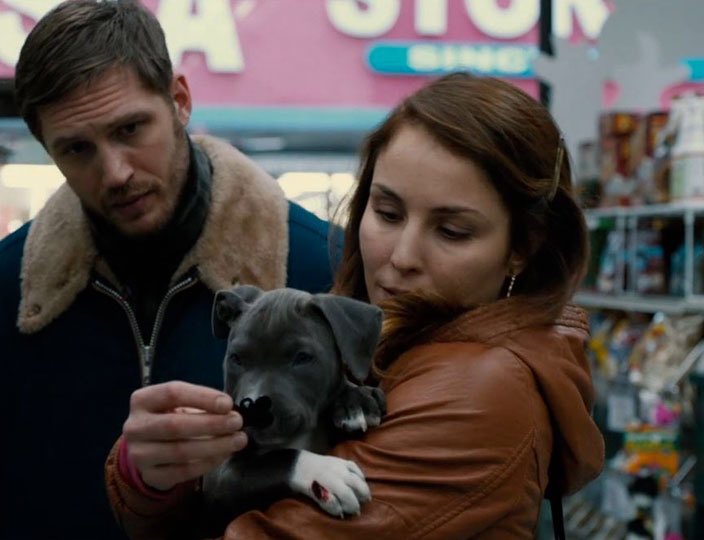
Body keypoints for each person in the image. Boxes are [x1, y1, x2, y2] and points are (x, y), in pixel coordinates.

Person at [106, 72, 606, 539]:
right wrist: (156, 475)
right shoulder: (380, 346)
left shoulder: (480, 392)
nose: (402, 256)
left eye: (452, 231)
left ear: (523, 247)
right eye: (387, 212)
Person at [0, 1, 339, 538]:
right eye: (77, 149)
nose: (115, 173)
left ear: (179, 100)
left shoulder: (318, 267)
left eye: (131, 128)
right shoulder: (1, 292)